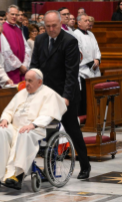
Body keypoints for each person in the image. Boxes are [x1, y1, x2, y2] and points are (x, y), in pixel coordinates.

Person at [0, 69, 67, 189]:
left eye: (30, 81)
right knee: (0, 130)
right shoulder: (21, 94)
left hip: (36, 129)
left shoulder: (49, 94)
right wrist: (4, 120)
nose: (26, 83)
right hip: (15, 127)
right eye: (25, 80)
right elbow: (9, 110)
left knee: (25, 134)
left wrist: (33, 125)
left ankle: (17, 176)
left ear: (39, 82)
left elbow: (48, 115)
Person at [30, 10, 91, 179]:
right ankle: (50, 170)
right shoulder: (41, 39)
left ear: (60, 23)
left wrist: (65, 98)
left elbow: (71, 73)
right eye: (47, 26)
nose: (51, 29)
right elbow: (34, 66)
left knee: (73, 130)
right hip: (45, 94)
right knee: (48, 131)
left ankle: (85, 165)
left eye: (54, 26)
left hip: (66, 95)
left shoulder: (69, 41)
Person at [74, 14, 101, 116]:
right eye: (85, 21)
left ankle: (94, 115)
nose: (88, 22)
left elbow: (97, 48)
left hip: (94, 68)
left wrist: (97, 59)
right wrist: (92, 63)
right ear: (79, 22)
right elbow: (80, 51)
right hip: (83, 70)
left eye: (88, 21)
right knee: (85, 96)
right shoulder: (76, 34)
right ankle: (85, 117)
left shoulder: (91, 34)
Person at [1, 5, 31, 84]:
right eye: (12, 14)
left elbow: (27, 48)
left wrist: (25, 65)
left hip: (22, 70)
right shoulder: (2, 29)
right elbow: (6, 51)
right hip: (12, 70)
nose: (14, 16)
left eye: (16, 15)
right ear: (7, 14)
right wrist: (20, 66)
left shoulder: (18, 29)